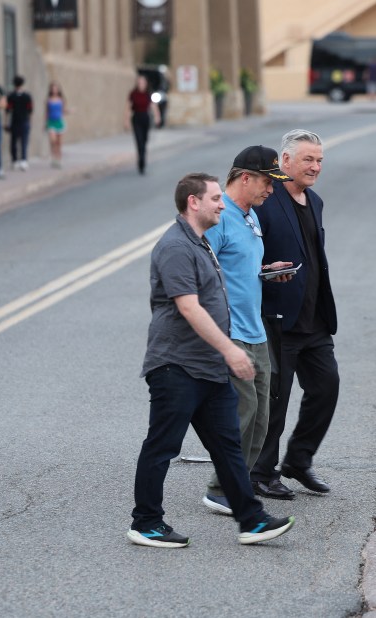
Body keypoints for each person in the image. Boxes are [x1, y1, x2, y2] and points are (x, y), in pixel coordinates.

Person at [129, 173, 295, 548]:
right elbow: (188, 307)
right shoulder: (175, 247)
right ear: (194, 202)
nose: (223, 205)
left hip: (207, 367)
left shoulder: (201, 243)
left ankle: (251, 520)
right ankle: (146, 523)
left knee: (227, 446)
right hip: (177, 366)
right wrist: (231, 349)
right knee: (162, 445)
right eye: (216, 198)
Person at [200, 147, 295, 516]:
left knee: (260, 416)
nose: (271, 190)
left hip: (256, 330)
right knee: (242, 412)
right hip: (231, 330)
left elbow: (238, 267)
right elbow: (204, 272)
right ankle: (220, 488)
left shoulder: (250, 216)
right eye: (268, 182)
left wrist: (269, 270)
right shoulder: (220, 216)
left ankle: (237, 482)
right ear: (245, 178)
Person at [251, 129, 339, 500]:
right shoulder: (266, 203)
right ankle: (261, 471)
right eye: (308, 159)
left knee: (326, 387)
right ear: (285, 162)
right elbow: (247, 256)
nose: (315, 166)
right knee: (276, 398)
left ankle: (298, 461)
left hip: (314, 319)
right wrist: (266, 269)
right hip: (278, 317)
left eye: (319, 160)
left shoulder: (315, 201)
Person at [126, 74, 160, 175]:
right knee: (139, 141)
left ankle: (142, 157)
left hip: (145, 118)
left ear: (146, 84)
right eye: (139, 82)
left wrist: (157, 116)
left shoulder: (148, 94)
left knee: (144, 141)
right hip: (136, 118)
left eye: (143, 82)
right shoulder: (133, 94)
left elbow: (153, 106)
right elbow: (127, 107)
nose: (141, 84)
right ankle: (141, 161)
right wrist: (126, 120)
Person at [5, 75, 33, 172]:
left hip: (22, 120)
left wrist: (29, 122)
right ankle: (16, 159)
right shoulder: (12, 96)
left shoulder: (26, 96)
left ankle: (22, 159)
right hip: (16, 121)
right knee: (15, 142)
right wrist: (7, 122)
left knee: (22, 141)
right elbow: (8, 109)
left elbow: (29, 110)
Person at [45, 81, 67, 170]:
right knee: (53, 140)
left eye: (56, 88)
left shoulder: (61, 99)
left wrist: (70, 111)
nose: (54, 90)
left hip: (59, 122)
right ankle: (53, 157)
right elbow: (46, 112)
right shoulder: (48, 100)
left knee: (59, 143)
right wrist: (45, 122)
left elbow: (63, 111)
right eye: (53, 88)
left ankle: (59, 159)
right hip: (51, 122)